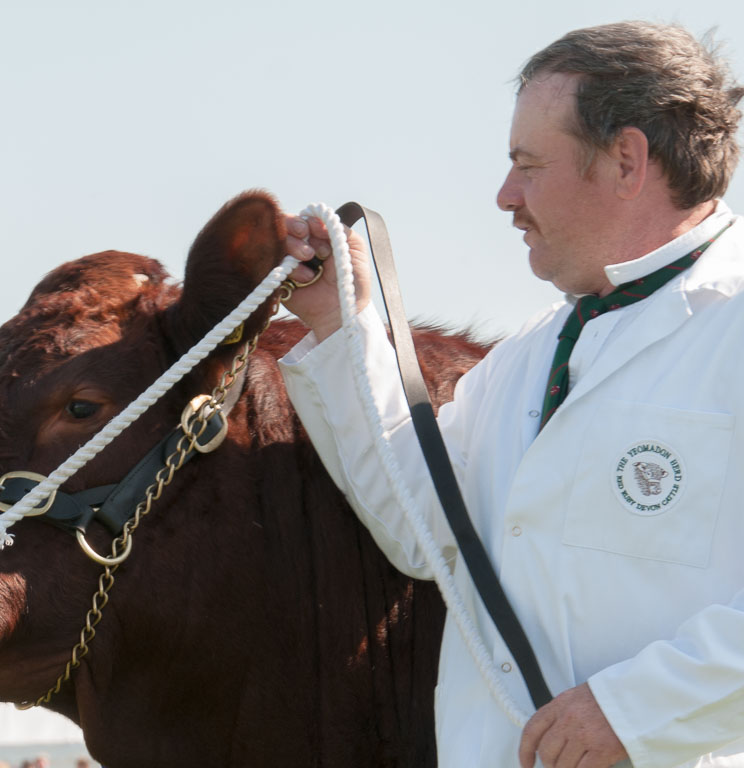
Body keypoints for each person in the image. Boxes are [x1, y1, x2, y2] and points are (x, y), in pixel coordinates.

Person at [279, 21, 744, 768]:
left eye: (528, 165)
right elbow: (424, 528)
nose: (504, 196)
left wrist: (638, 712)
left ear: (626, 160)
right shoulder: (531, 355)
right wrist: (342, 324)